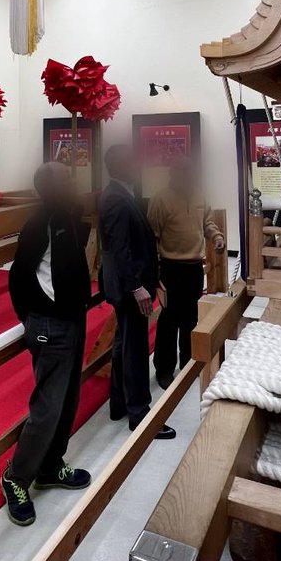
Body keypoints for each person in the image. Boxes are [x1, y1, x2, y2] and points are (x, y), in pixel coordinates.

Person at [0, 161, 93, 527]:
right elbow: (20, 276)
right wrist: (33, 318)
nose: (74, 181)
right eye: (67, 178)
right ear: (50, 188)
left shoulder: (66, 216)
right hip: (50, 324)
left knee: (68, 399)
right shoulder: (40, 224)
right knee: (48, 407)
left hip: (72, 319)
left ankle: (51, 465)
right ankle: (16, 477)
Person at [98, 144, 176, 440]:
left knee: (123, 344)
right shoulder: (116, 198)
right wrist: (137, 286)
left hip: (132, 283)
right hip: (130, 287)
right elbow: (120, 249)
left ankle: (119, 403)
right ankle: (140, 414)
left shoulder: (120, 193)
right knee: (134, 348)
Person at [147, 158, 224, 389]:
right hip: (171, 267)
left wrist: (217, 237)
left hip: (193, 267)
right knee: (169, 318)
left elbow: (207, 222)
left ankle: (188, 362)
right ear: (173, 173)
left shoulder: (199, 195)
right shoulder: (160, 199)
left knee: (191, 316)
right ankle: (164, 369)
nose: (187, 177)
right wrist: (156, 270)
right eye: (183, 173)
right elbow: (152, 235)